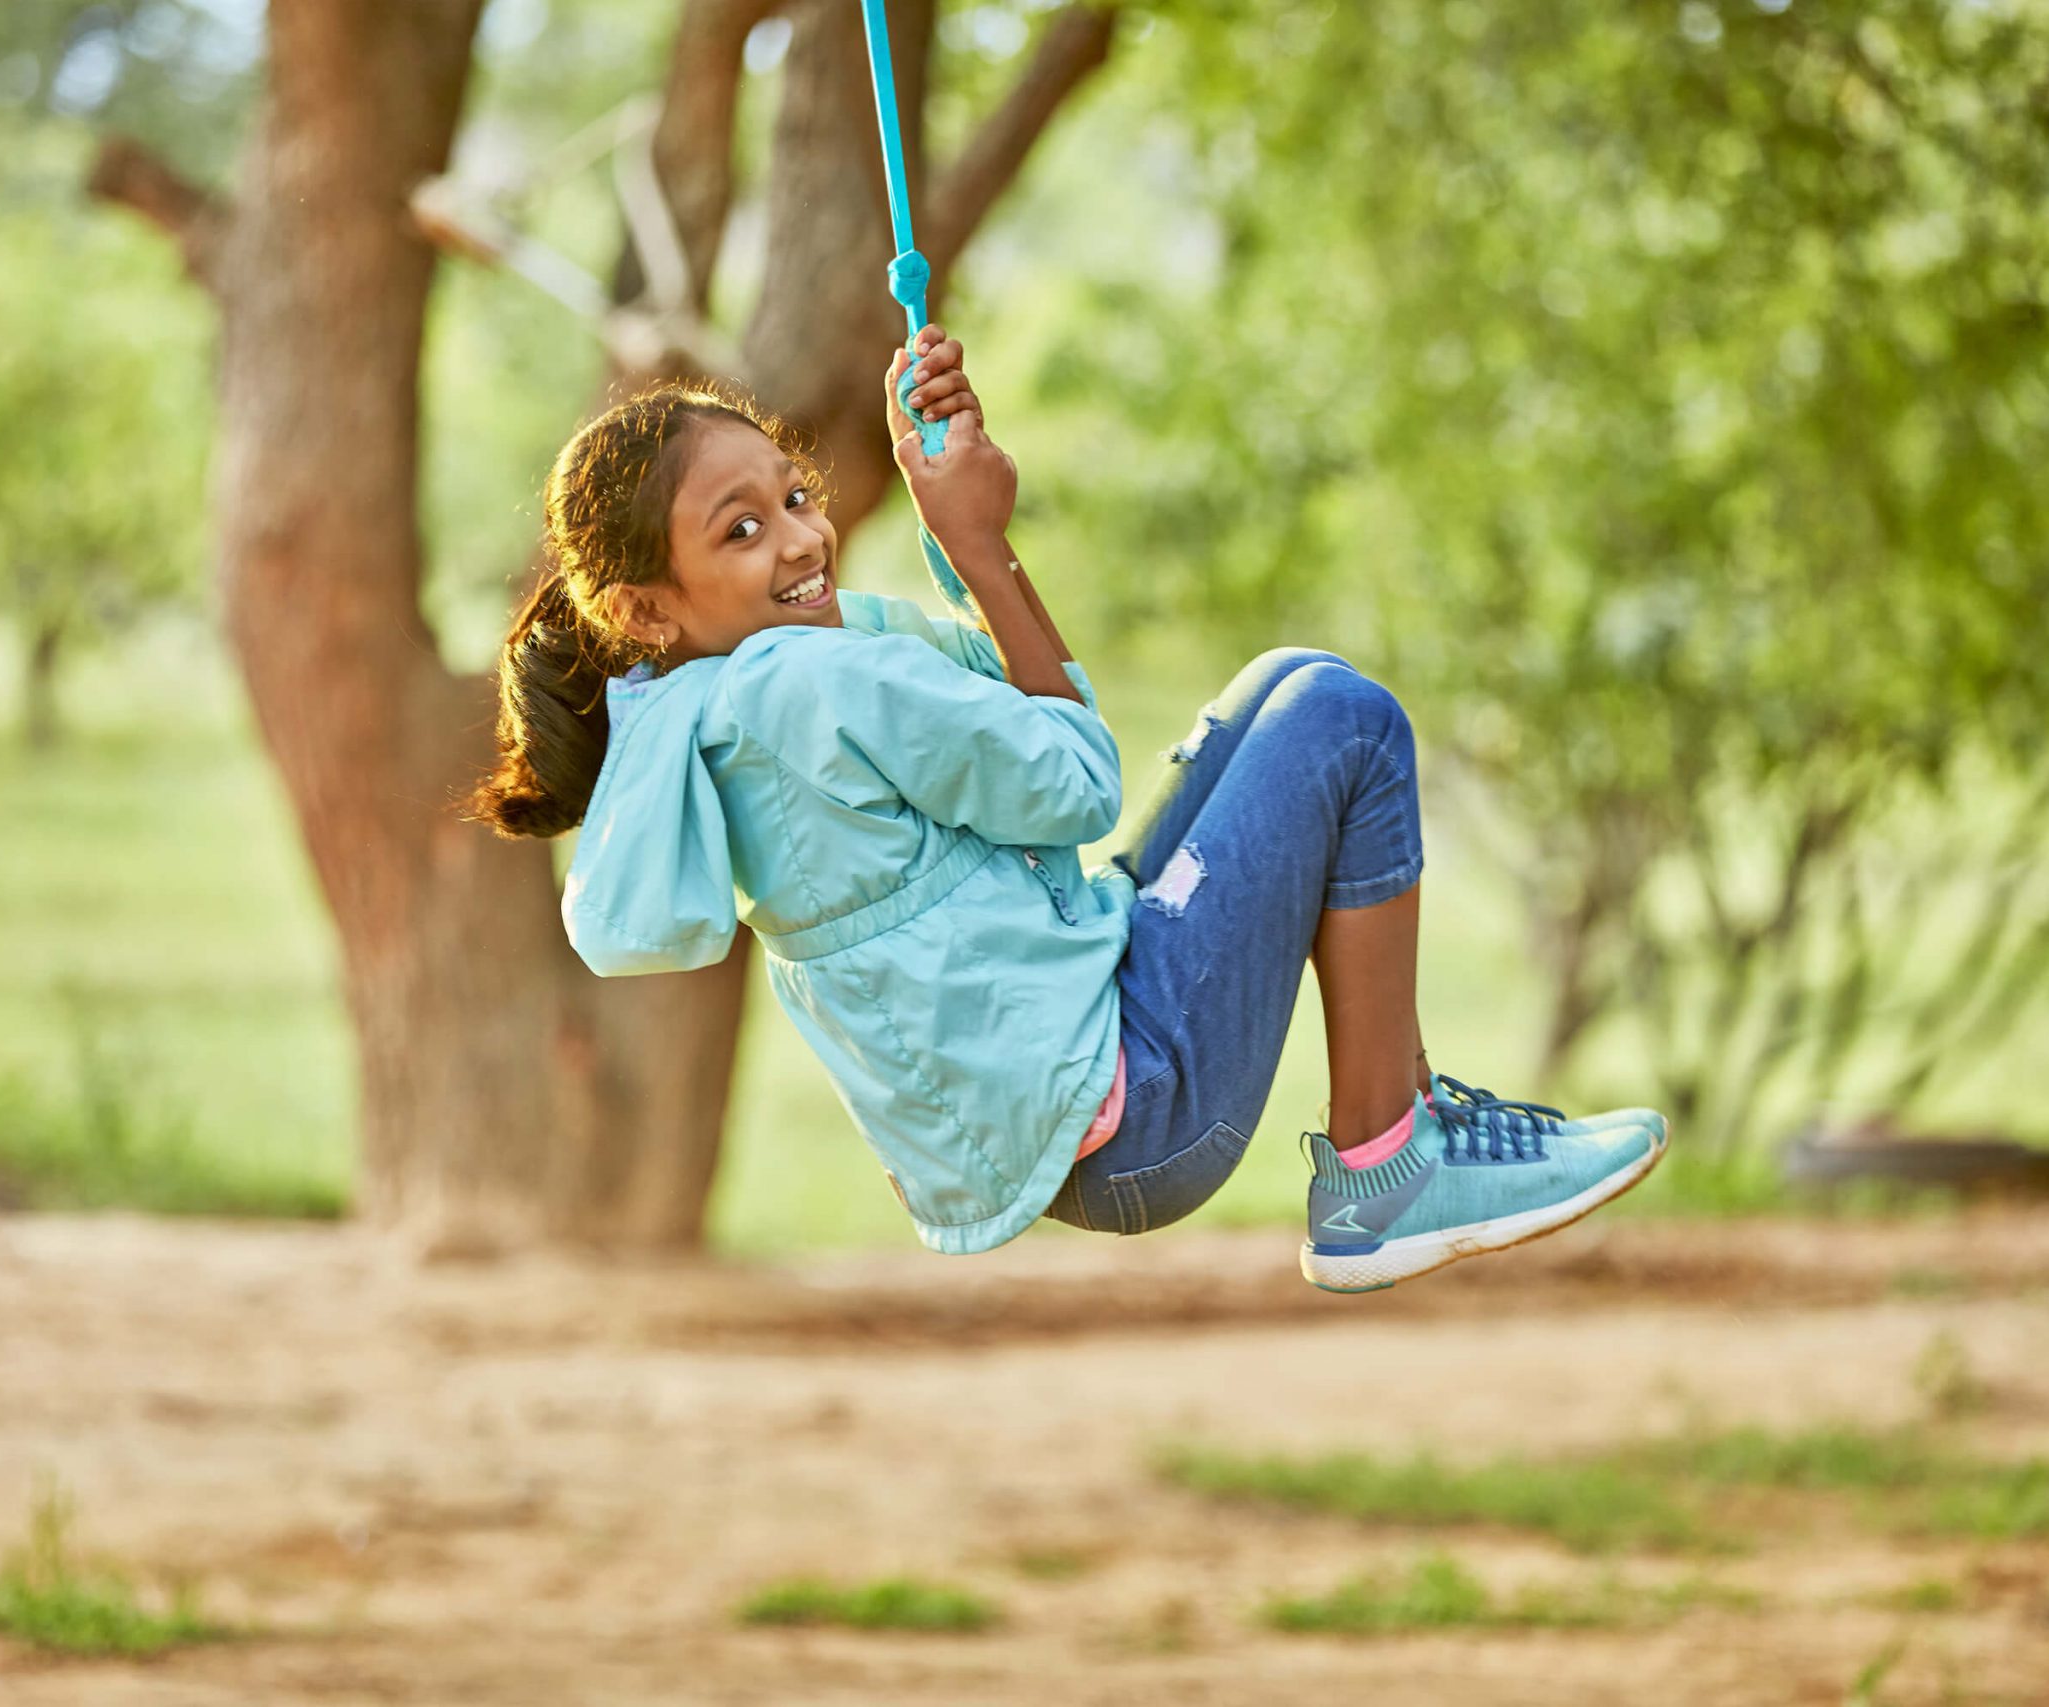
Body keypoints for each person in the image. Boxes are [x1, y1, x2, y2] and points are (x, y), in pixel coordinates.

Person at [463, 328, 1666, 1290]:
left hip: (1078, 1091)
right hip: (1139, 1107)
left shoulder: (725, 697)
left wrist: (949, 522)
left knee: (1282, 688)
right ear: (644, 611)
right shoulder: (805, 682)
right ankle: (1385, 1167)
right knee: (1340, 718)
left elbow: (995, 695)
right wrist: (982, 550)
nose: (801, 536)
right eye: (741, 529)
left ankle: (1398, 1132)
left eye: (793, 494)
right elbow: (1076, 780)